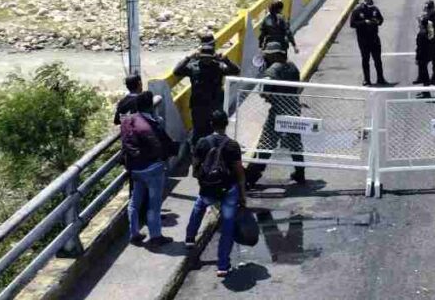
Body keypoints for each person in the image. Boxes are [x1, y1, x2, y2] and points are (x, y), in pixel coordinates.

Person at [185, 110, 246, 278]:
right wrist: (243, 195)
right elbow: (239, 172)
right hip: (228, 190)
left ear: (211, 124)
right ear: (226, 124)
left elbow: (195, 168)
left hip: (208, 189)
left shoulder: (202, 143)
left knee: (199, 206)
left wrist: (203, 181)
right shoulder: (232, 145)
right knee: (227, 227)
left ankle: (190, 238)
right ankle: (222, 266)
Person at [119, 75, 175, 247]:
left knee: (134, 202)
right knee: (154, 204)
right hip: (152, 168)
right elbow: (161, 146)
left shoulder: (128, 121)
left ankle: (134, 233)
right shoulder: (152, 124)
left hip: (135, 168)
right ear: (151, 106)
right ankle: (155, 236)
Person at [245, 42, 306, 187]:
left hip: (278, 111)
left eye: (268, 56)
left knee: (266, 143)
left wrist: (272, 98)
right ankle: (300, 174)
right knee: (295, 143)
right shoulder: (292, 66)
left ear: (276, 55)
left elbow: (263, 92)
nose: (267, 58)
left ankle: (251, 178)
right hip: (294, 108)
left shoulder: (273, 70)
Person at [173, 41, 241, 146]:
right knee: (198, 132)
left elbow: (236, 71)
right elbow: (177, 71)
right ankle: (198, 154)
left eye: (209, 57)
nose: (206, 59)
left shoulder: (218, 67)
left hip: (215, 105)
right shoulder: (193, 67)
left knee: (215, 131)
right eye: (204, 57)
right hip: (198, 106)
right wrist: (188, 58)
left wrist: (225, 60)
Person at [349, 0, 388, 86]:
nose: (370, 8)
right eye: (368, 6)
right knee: (365, 59)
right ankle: (367, 79)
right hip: (363, 40)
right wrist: (364, 22)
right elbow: (352, 24)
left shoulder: (375, 9)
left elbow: (381, 20)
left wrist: (378, 21)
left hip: (374, 38)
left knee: (377, 59)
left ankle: (380, 78)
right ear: (364, 4)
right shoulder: (357, 11)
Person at [414, 0, 435, 88]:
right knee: (421, 59)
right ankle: (421, 77)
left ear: (433, 9)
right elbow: (420, 24)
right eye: (426, 9)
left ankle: (434, 77)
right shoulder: (423, 16)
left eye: (428, 9)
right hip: (423, 41)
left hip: (434, 41)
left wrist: (430, 30)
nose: (427, 11)